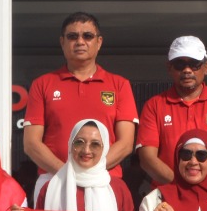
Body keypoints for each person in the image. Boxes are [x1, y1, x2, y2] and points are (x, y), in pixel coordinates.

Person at [22, 13, 139, 200]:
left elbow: (125, 144)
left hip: (104, 181)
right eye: (72, 36)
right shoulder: (42, 84)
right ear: (62, 42)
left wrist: (91, 172)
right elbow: (31, 144)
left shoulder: (119, 85)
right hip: (54, 180)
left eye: (87, 36)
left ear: (99, 42)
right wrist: (67, 173)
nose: (80, 41)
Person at [137, 36, 207, 191]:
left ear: (206, 67)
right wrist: (182, 188)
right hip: (168, 199)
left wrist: (206, 186)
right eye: (180, 64)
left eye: (194, 64)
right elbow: (147, 158)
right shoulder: (154, 105)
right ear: (169, 67)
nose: (187, 70)